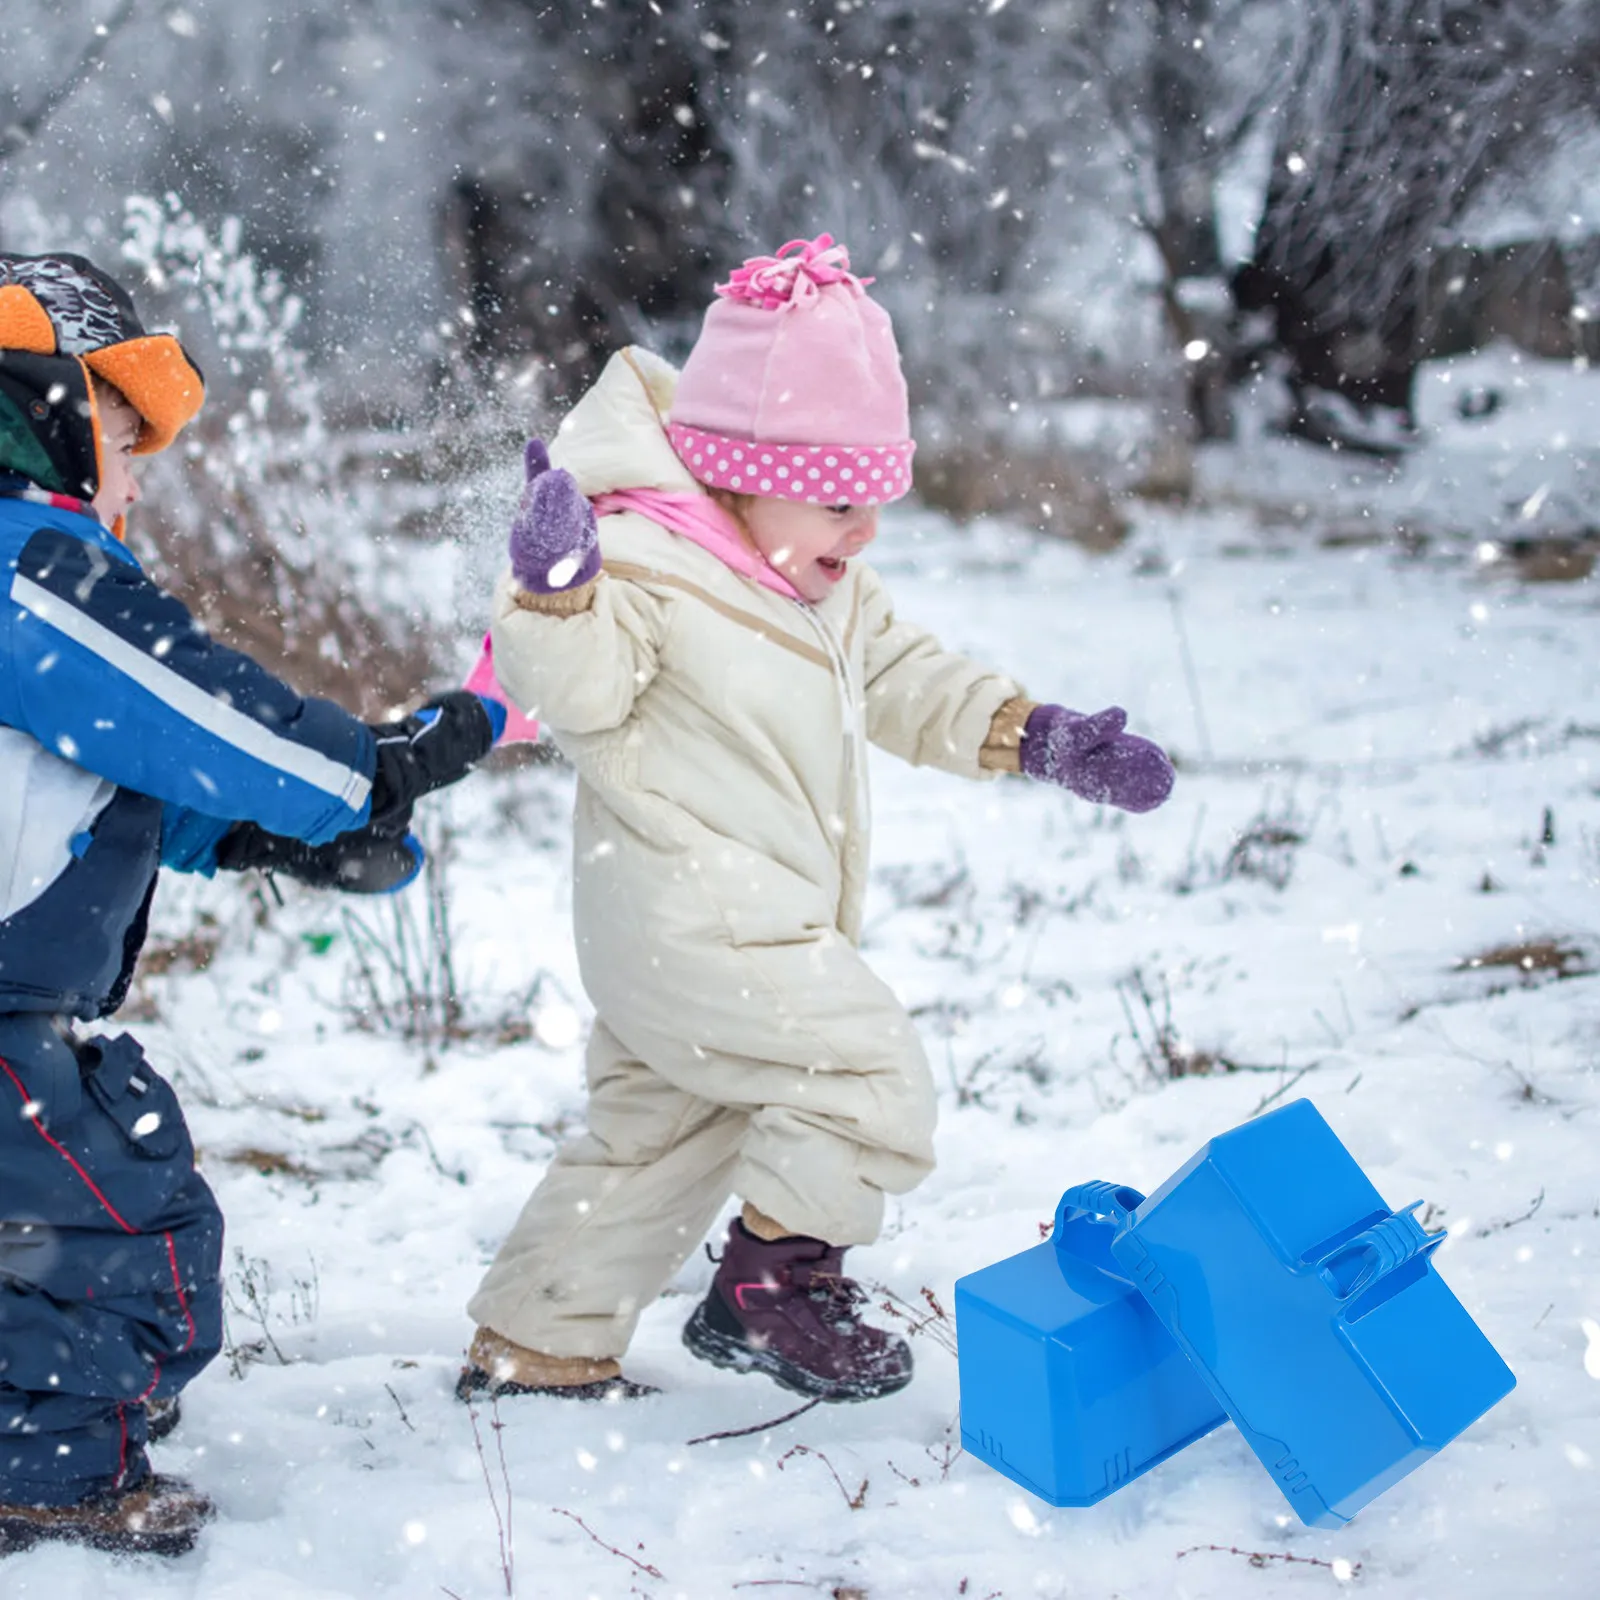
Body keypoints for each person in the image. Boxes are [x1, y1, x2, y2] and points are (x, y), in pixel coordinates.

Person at [459, 234, 1173, 1408]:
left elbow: (903, 676)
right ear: (745, 476)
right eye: (842, 499)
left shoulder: (816, 583)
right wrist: (556, 594)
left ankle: (540, 1343)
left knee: (659, 1136)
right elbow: (569, 691)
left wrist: (1031, 732)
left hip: (721, 924)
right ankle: (773, 1286)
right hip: (695, 920)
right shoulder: (642, 565)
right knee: (864, 1071)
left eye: (875, 501)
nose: (865, 530)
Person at [0, 252, 502, 1556]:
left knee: (57, 1234)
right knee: (126, 1235)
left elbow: (106, 770)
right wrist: (361, 772)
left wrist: (275, 842)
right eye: (120, 435)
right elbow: (187, 705)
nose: (138, 473)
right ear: (36, 406)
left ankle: (39, 1422)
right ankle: (45, 1476)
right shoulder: (25, 568)